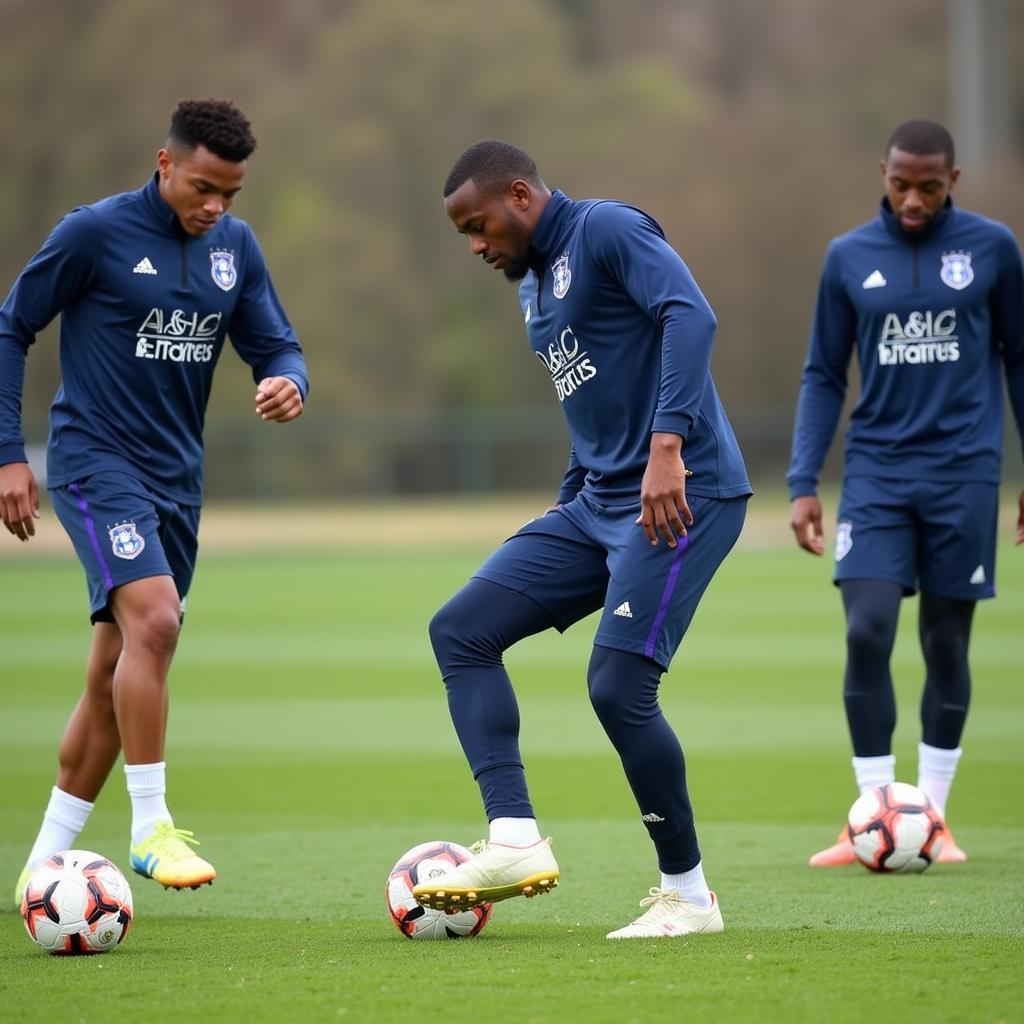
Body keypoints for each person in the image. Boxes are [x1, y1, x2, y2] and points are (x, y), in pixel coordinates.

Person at [411, 140, 751, 939]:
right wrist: (570, 501)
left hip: (682, 493)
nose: (475, 245)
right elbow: (594, 402)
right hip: (598, 503)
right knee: (461, 629)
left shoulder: (606, 230)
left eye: (479, 224)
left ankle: (691, 898)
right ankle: (513, 839)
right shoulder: (531, 286)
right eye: (463, 232)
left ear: (521, 196)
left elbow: (690, 316)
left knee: (617, 689)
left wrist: (668, 447)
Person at [1, 98, 308, 903]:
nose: (216, 207)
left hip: (177, 481)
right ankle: (150, 827)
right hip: (94, 464)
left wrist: (287, 381)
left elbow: (275, 340)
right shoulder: (91, 233)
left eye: (230, 194)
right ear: (164, 163)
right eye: (204, 188)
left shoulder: (233, 248)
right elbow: (11, 327)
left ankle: (41, 869)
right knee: (159, 622)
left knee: (116, 666)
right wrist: (7, 455)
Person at [787, 119, 1024, 867]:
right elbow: (823, 373)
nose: (913, 199)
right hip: (878, 474)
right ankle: (870, 812)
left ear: (952, 180)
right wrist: (802, 481)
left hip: (965, 472)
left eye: (928, 185)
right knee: (866, 631)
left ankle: (934, 820)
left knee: (947, 640)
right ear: (882, 174)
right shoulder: (848, 256)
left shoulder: (993, 249)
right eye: (900, 184)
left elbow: (1019, 358)